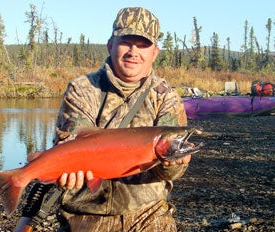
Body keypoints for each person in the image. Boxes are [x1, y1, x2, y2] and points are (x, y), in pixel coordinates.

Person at [15, 7, 190, 232]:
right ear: (110, 45)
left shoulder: (165, 96)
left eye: (143, 45)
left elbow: (171, 174)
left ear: (154, 52)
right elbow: (70, 144)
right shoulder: (82, 89)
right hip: (85, 215)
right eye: (126, 42)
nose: (133, 52)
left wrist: (172, 164)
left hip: (147, 213)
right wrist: (63, 173)